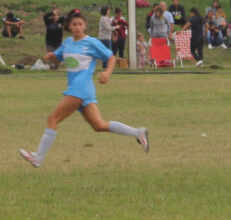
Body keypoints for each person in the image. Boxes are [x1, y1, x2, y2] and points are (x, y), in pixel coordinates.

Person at [19, 9, 149, 168]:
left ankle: (38, 158)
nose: (77, 27)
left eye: (80, 24)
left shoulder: (91, 42)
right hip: (82, 91)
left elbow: (111, 56)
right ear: (69, 26)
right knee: (99, 125)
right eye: (74, 24)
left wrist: (107, 72)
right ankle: (138, 132)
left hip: (79, 89)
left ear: (85, 25)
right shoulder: (67, 43)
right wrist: (51, 57)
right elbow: (57, 59)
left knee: (52, 119)